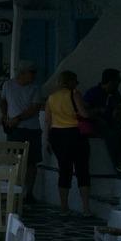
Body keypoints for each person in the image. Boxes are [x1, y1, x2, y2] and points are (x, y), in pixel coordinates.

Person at [45, 70, 92, 216]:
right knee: (82, 170)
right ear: (70, 81)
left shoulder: (51, 97)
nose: (77, 83)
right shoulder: (74, 94)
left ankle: (64, 207)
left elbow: (48, 120)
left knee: (64, 170)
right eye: (75, 80)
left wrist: (47, 140)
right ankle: (86, 209)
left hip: (57, 135)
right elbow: (84, 114)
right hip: (74, 134)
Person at [0, 61, 44, 201]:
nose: (34, 75)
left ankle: (28, 193)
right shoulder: (8, 85)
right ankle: (13, 191)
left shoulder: (35, 88)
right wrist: (5, 116)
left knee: (32, 162)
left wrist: (17, 118)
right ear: (23, 73)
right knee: (14, 161)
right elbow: (3, 101)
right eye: (32, 72)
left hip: (31, 129)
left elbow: (35, 108)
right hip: (14, 130)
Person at [83, 68, 121, 172]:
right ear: (111, 82)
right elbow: (84, 110)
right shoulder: (93, 92)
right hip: (97, 124)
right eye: (118, 81)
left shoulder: (115, 93)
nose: (119, 84)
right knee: (113, 136)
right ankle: (117, 165)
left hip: (111, 124)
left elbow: (119, 106)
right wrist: (97, 113)